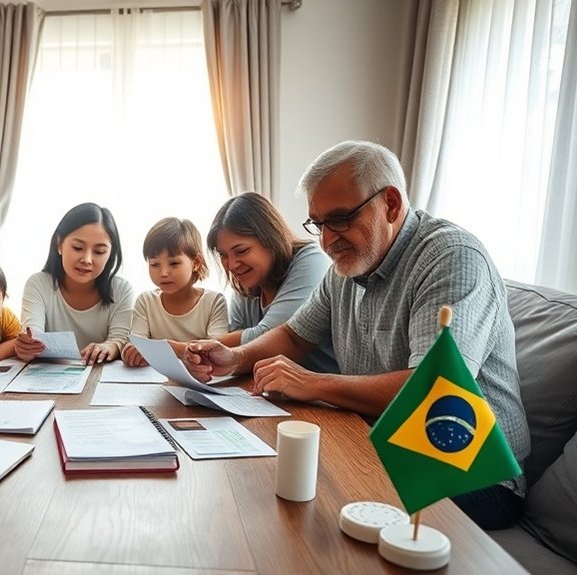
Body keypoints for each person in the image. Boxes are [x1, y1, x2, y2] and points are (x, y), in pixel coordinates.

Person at [182, 140, 530, 529]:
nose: (327, 240)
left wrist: (313, 383)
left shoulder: (452, 257)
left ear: (391, 204)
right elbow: (295, 336)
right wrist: (236, 359)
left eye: (340, 219)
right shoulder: (346, 267)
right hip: (379, 438)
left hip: (469, 470)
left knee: (310, 499)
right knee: (264, 471)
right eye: (318, 224)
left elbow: (433, 390)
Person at [207, 192, 338, 374]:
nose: (231, 265)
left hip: (324, 388)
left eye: (242, 251)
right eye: (223, 255)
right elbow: (236, 343)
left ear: (270, 239)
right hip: (273, 387)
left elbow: (267, 336)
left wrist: (182, 348)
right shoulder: (247, 280)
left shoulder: (312, 261)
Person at [15, 202, 135, 365]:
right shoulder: (38, 284)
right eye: (78, 248)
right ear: (59, 244)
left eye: (99, 252)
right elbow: (33, 333)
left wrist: (108, 347)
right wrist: (28, 347)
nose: (87, 260)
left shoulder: (121, 290)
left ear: (110, 254)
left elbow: (118, 340)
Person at [121, 217, 228, 367]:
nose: (163, 273)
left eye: (174, 263)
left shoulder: (214, 302)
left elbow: (215, 351)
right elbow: (136, 345)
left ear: (196, 263)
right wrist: (131, 352)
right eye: (154, 264)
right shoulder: (146, 301)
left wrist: (164, 347)